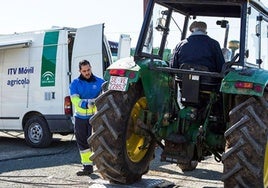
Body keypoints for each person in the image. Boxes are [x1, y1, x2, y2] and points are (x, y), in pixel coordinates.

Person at [69, 59, 104, 176]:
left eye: (88, 70)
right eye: (84, 71)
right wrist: (86, 103)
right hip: (80, 119)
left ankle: (103, 166)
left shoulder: (100, 82)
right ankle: (87, 167)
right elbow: (74, 99)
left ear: (91, 68)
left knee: (98, 142)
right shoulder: (75, 83)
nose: (87, 72)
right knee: (83, 143)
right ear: (80, 71)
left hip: (95, 118)